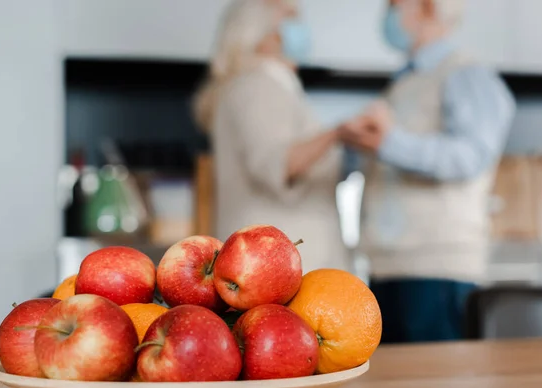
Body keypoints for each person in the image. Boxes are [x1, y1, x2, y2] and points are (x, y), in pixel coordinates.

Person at [340, 0, 516, 343]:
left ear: (429, 7)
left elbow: (471, 156)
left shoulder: (467, 74)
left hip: (437, 269)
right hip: (388, 266)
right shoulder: (403, 84)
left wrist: (390, 142)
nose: (388, 12)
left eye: (395, 4)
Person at [194, 0, 349, 273]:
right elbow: (275, 165)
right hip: (276, 264)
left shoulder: (269, 86)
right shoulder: (259, 86)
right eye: (290, 17)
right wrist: (338, 133)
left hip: (269, 261)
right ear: (259, 32)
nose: (300, 26)